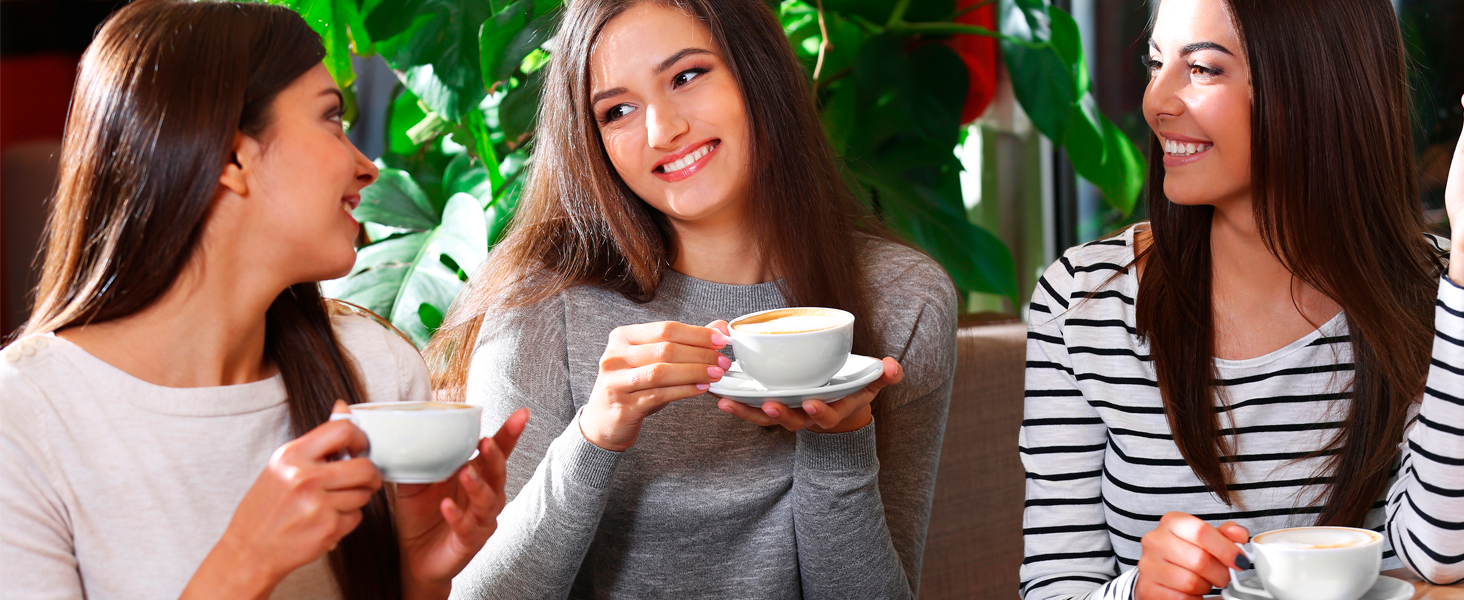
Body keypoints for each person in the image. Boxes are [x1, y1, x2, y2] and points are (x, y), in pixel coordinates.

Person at [423, 0, 957, 598]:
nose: (662, 131)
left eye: (686, 75)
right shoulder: (541, 302)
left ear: (757, 71)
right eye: (617, 110)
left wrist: (840, 445)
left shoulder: (902, 297)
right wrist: (594, 437)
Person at [0, 2, 528, 599]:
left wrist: (417, 574)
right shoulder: (23, 417)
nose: (366, 168)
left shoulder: (376, 369)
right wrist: (245, 562)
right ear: (232, 157)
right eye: (332, 118)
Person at [1018, 0, 1464, 597]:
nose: (1156, 102)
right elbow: (1053, 588)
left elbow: (1437, 560)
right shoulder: (1086, 302)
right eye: (1156, 64)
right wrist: (1138, 591)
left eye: (1202, 69)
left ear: (1314, 83)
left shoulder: (1440, 296)